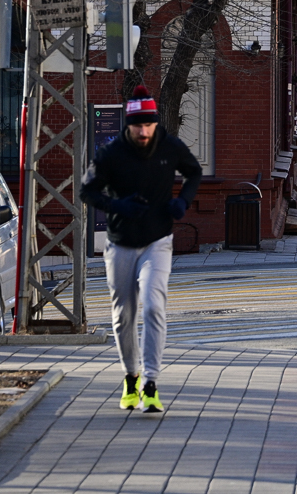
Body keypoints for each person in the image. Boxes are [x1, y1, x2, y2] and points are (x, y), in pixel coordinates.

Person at [81, 85, 203, 414]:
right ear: (128, 126)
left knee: (153, 308)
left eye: (149, 125)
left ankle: (150, 383)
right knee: (123, 316)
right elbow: (87, 191)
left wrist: (183, 201)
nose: (144, 132)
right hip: (120, 243)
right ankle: (130, 377)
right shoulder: (111, 153)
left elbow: (194, 172)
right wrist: (117, 205)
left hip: (157, 241)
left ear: (155, 123)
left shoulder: (170, 146)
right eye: (138, 126)